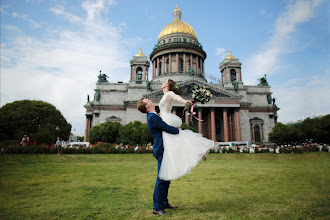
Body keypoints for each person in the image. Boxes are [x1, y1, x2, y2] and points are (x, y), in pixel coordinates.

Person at [158, 79, 214, 181]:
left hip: (166, 118)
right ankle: (199, 148)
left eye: (164, 82)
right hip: (165, 117)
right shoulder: (164, 95)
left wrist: (185, 101)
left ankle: (200, 148)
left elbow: (177, 97)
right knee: (178, 139)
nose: (162, 83)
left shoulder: (169, 93)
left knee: (175, 140)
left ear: (167, 86)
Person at [137, 97, 180, 216]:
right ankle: (157, 207)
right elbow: (165, 127)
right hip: (161, 149)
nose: (151, 100)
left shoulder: (153, 116)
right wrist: (178, 131)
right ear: (147, 106)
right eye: (148, 100)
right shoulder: (153, 117)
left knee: (166, 177)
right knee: (161, 179)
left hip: (164, 149)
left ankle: (164, 202)